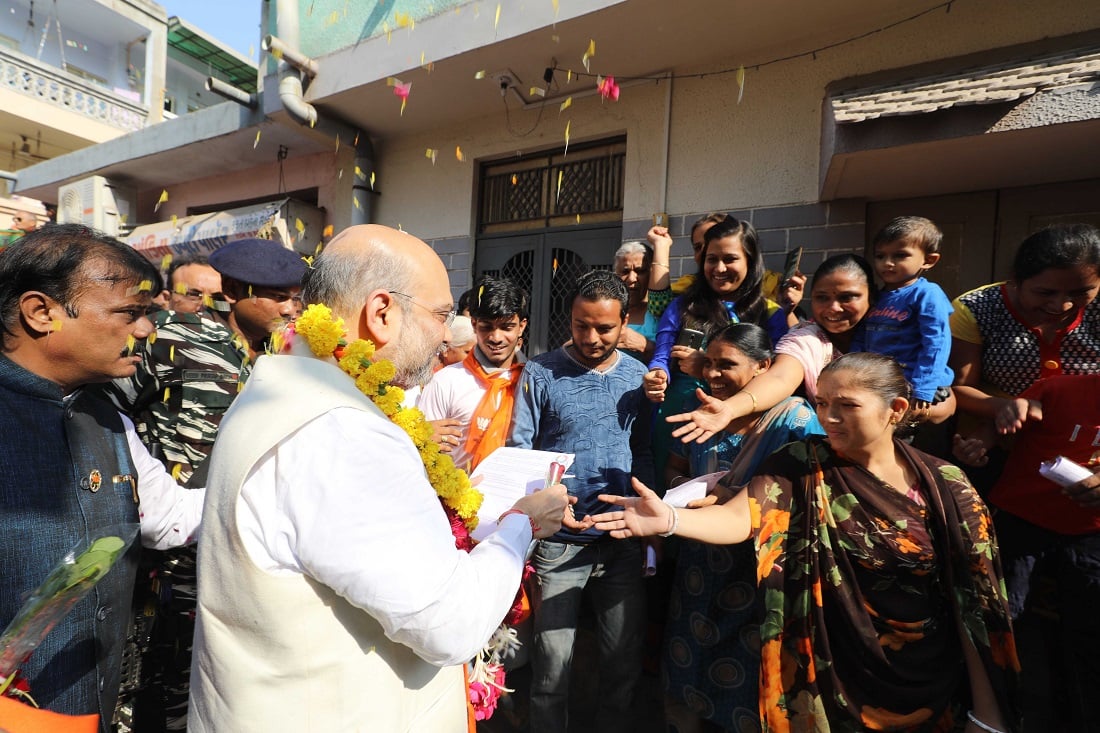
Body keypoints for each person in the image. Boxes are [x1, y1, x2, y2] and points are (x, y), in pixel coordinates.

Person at [187, 224, 573, 732]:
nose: (445, 335)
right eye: (441, 315)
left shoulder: (282, 389)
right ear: (382, 312)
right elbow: (449, 624)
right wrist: (521, 524)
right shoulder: (345, 431)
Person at [591, 352, 1020, 732]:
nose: (829, 417)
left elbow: (977, 605)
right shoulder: (801, 463)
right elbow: (741, 518)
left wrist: (988, 716)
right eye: (822, 403)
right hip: (828, 677)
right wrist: (669, 519)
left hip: (928, 679)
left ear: (897, 410)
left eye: (847, 405)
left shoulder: (946, 487)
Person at [0, 225, 204, 731]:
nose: (144, 331)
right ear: (41, 312)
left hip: (89, 709)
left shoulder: (109, 419)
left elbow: (171, 519)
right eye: (128, 313)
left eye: (148, 315)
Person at [101, 253, 270, 732]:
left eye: (296, 297)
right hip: (172, 544)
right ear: (238, 293)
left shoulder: (285, 357)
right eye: (278, 296)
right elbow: (112, 408)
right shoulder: (177, 339)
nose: (291, 307)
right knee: (161, 665)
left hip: (236, 545)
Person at [510, 269, 656, 733]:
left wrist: (649, 527)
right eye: (580, 325)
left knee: (622, 665)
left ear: (625, 320)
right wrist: (549, 504)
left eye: (604, 328)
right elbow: (521, 450)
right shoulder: (541, 372)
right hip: (560, 545)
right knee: (551, 670)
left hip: (621, 540)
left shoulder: (638, 377)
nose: (591, 337)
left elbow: (645, 452)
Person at [661, 323, 823, 733]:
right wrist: (686, 493)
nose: (713, 375)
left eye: (727, 365)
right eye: (709, 363)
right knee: (688, 673)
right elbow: (675, 471)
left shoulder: (795, 421)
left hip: (759, 576)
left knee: (749, 686)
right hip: (698, 571)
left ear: (763, 367)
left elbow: (817, 496)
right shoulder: (699, 410)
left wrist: (737, 499)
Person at [670, 254, 956, 445]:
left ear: (874, 297)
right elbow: (781, 377)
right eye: (822, 297)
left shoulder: (898, 333)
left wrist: (920, 407)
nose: (833, 308)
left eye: (848, 297)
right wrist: (728, 409)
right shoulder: (809, 338)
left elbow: (944, 401)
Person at [978, 373, 1100, 730]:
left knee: (1089, 632)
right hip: (1021, 521)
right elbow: (998, 426)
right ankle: (994, 716)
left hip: (1090, 533)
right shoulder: (1060, 388)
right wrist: (982, 440)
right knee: (1002, 620)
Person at [645, 218, 799, 492]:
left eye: (730, 259)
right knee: (669, 487)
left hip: (743, 418)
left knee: (733, 490)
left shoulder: (770, 313)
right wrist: (659, 373)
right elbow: (663, 351)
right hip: (678, 413)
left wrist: (704, 365)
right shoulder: (683, 305)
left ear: (750, 261)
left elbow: (776, 370)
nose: (719, 268)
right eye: (711, 259)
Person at [950, 224, 1100, 471]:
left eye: (1081, 292)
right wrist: (1004, 408)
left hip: (1084, 452)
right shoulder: (977, 308)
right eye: (1044, 292)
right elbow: (961, 388)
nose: (1062, 305)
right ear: (1017, 280)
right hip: (1001, 448)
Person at [420, 276, 529, 471]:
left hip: (519, 499)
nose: (496, 338)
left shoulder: (534, 382)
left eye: (506, 327)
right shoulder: (445, 382)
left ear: (522, 326)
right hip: (456, 496)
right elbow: (425, 451)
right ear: (473, 324)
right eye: (486, 327)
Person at [859, 216, 954, 410]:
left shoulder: (927, 294)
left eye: (900, 255)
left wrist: (924, 388)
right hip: (883, 382)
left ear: (928, 260)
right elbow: (861, 339)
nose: (887, 263)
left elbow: (936, 343)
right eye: (880, 256)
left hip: (919, 385)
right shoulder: (875, 295)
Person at [208, 238, 307, 359]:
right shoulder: (184, 337)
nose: (290, 311)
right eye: (279, 297)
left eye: (295, 299)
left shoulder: (297, 351)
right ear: (232, 289)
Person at [614, 240, 658, 360]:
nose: (632, 278)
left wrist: (647, 346)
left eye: (640, 271)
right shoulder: (607, 312)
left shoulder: (660, 313)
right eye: (625, 271)